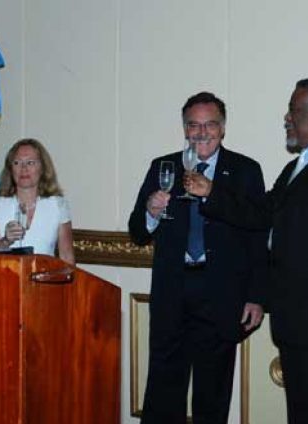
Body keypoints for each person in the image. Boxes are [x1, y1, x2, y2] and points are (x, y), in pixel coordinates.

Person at [185, 78, 308, 424]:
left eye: (293, 110)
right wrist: (211, 192)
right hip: (296, 323)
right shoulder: (296, 168)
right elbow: (260, 212)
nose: (287, 118)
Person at [128, 92, 268, 424]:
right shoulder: (163, 167)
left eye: (210, 125)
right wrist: (150, 211)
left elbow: (259, 231)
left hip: (221, 294)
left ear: (223, 129)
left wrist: (257, 297)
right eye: (194, 125)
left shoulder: (245, 170)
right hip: (172, 291)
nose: (202, 132)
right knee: (163, 392)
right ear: (185, 129)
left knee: (212, 395)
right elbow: (137, 231)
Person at [0, 139, 75, 264]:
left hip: (44, 279)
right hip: (5, 279)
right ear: (10, 169)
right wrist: (5, 241)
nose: (24, 168)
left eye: (30, 163)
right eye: (17, 163)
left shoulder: (57, 205)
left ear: (42, 168)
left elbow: (67, 257)